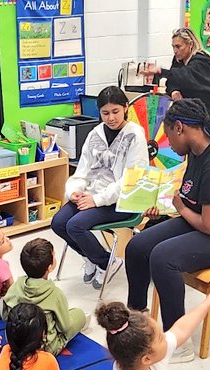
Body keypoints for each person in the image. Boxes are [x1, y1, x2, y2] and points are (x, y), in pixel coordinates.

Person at [124, 98, 210, 362]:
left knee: (164, 257)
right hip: (206, 220)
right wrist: (163, 206)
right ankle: (139, 321)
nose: (169, 145)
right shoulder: (196, 154)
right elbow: (190, 202)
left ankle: (177, 342)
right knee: (137, 247)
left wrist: (180, 208)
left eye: (169, 136)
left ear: (179, 128)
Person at [52, 86, 148, 289]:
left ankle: (106, 262)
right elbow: (83, 170)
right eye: (105, 113)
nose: (111, 118)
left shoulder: (135, 136)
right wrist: (75, 191)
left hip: (121, 201)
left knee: (75, 225)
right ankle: (92, 257)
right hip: (92, 195)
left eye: (115, 112)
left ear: (125, 108)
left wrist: (96, 200)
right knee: (59, 222)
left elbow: (130, 180)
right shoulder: (95, 133)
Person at [2, 238, 86, 356]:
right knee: (79, 314)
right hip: (45, 348)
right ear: (50, 267)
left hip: (15, 342)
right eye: (54, 255)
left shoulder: (15, 287)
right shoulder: (55, 293)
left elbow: (5, 316)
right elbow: (65, 327)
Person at [143, 27, 210, 130]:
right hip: (195, 109)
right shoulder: (178, 60)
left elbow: (185, 75)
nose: (175, 51)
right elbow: (172, 81)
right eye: (173, 47)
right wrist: (174, 91)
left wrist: (162, 71)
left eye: (178, 47)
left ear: (190, 44)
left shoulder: (203, 60)